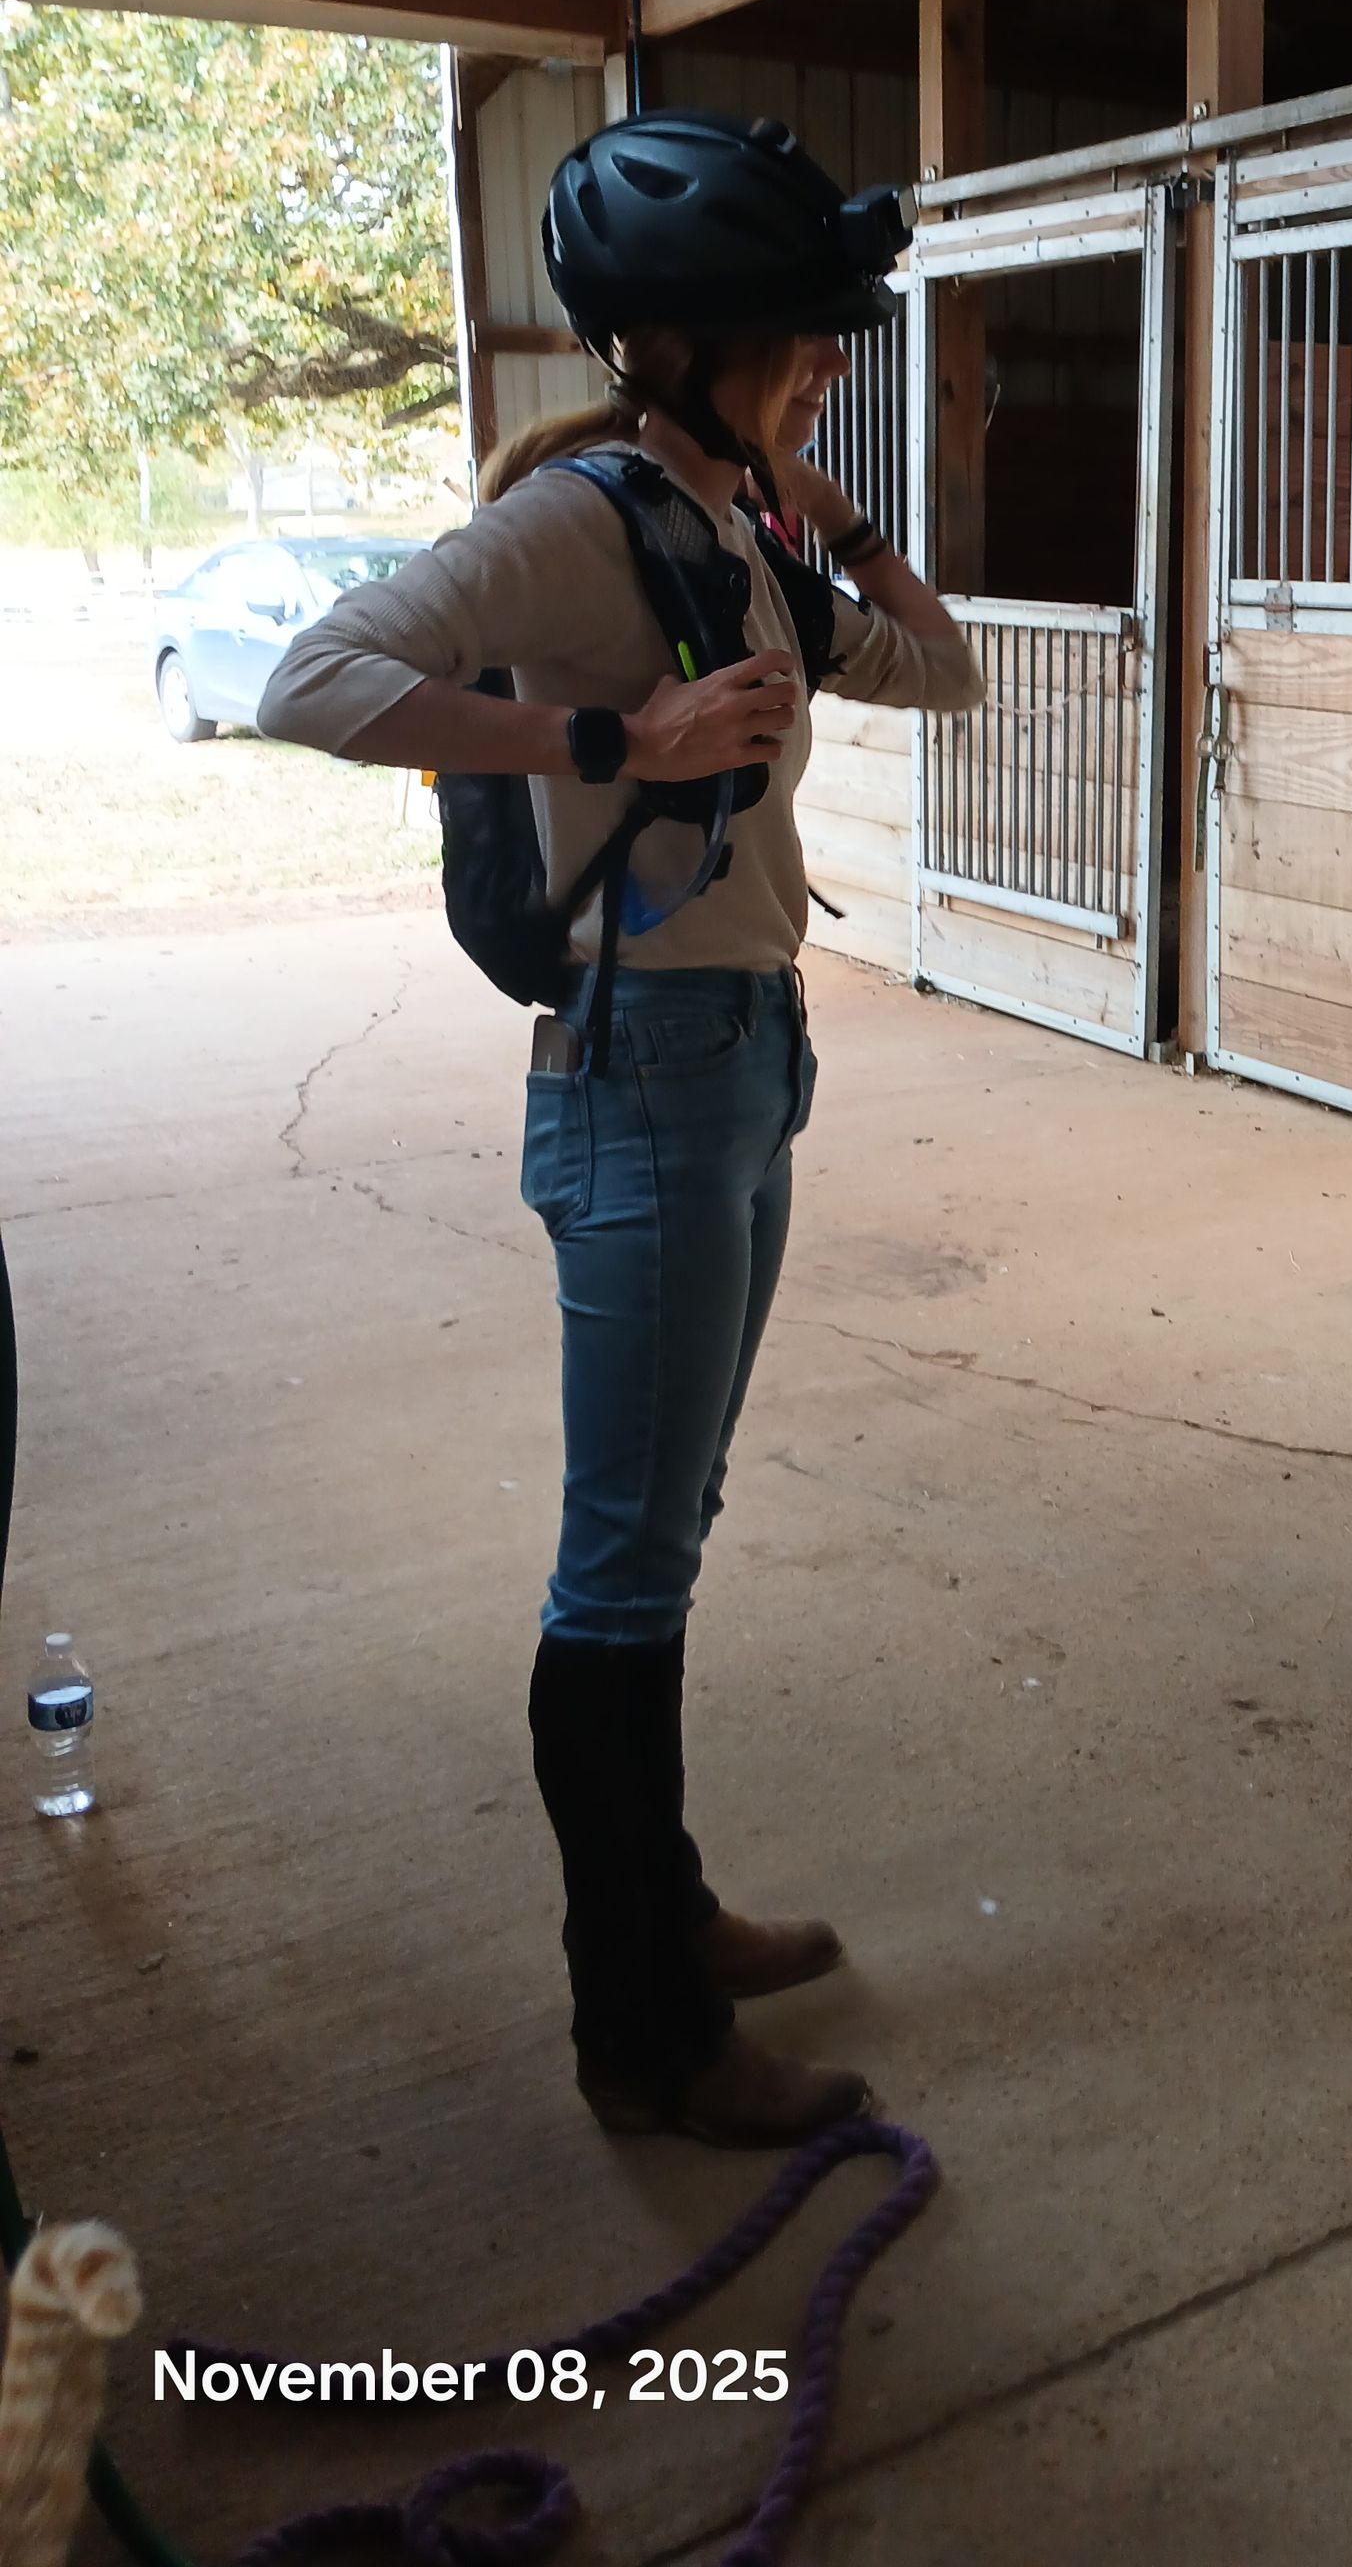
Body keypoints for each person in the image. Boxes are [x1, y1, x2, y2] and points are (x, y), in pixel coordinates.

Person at [259, 113, 983, 2145]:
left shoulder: (725, 529)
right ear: (682, 342)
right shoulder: (585, 523)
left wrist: (826, 512)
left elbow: (947, 672)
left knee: (670, 1533)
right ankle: (643, 2036)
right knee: (621, 1575)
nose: (827, 362)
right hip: (644, 1075)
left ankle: (668, 1908)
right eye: (797, 337)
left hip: (746, 1060)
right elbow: (312, 678)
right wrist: (612, 733)